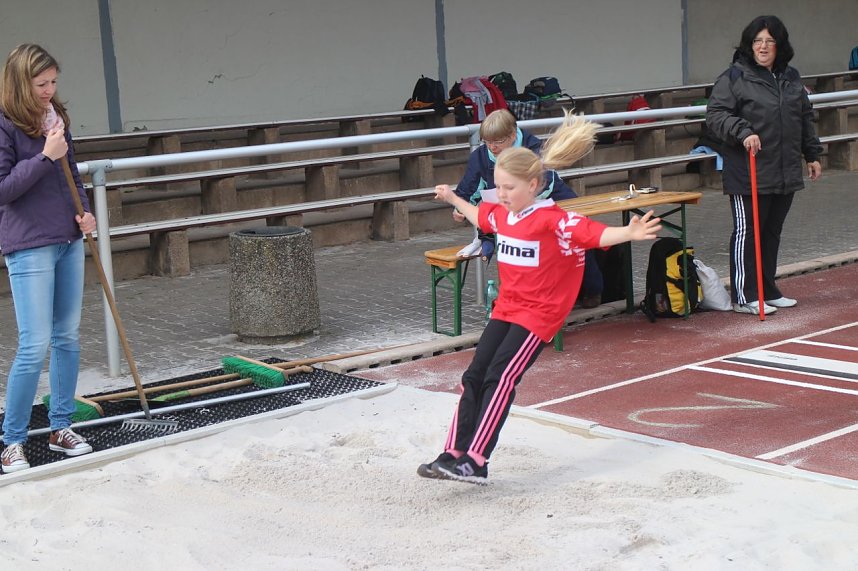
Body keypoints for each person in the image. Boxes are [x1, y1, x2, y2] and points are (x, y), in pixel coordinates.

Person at [419, 111, 662, 484]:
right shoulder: (504, 215)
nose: (502, 195)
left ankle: (477, 460)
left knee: (499, 379)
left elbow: (594, 235)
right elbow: (479, 216)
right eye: (498, 188)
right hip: (507, 309)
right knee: (474, 375)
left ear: (533, 185)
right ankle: (453, 451)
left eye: (509, 189)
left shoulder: (552, 219)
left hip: (539, 316)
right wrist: (452, 196)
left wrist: (628, 233)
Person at [0, 44, 96, 473]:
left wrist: (87, 209)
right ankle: (12, 440)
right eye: (41, 84)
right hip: (29, 242)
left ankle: (61, 427)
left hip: (67, 236)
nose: (49, 91)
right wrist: (43, 156)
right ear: (22, 82)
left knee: (67, 337)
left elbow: (71, 173)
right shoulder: (4, 124)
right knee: (34, 344)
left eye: (54, 82)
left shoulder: (55, 118)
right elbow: (4, 190)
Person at [706, 15, 822, 315]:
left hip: (784, 170)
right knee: (748, 232)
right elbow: (716, 115)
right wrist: (744, 132)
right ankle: (745, 294)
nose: (763, 46)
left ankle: (767, 289)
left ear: (780, 45)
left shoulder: (791, 77)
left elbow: (804, 117)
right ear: (749, 44)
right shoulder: (733, 77)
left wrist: (812, 154)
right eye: (758, 41)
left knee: (772, 231)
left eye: (770, 41)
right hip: (748, 171)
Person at [453, 109, 604, 308]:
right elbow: (469, 186)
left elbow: (546, 183)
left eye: (497, 142)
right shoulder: (481, 156)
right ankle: (517, 299)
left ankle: (591, 289)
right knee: (514, 245)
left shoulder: (533, 148)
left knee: (577, 235)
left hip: (550, 198)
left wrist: (523, 201)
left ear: (513, 135)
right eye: (487, 142)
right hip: (512, 207)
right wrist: (461, 207)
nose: (492, 147)